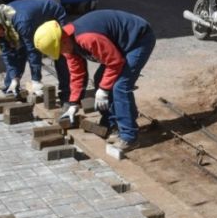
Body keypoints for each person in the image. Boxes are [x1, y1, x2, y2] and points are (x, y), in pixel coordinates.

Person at [34, 10, 156, 153]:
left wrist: (104, 89)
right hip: (117, 44)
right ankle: (112, 124)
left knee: (120, 86)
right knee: (100, 79)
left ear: (63, 40)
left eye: (59, 49)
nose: (61, 53)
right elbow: (77, 74)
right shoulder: (67, 44)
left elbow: (115, 62)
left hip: (138, 39)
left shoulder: (88, 38)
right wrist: (74, 103)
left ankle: (130, 137)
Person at [0, 0, 70, 104]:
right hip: (29, 23)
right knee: (17, 53)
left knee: (61, 53)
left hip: (53, 16)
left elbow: (33, 51)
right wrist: (14, 79)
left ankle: (67, 94)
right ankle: (12, 90)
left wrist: (36, 80)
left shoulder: (21, 22)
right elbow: (7, 54)